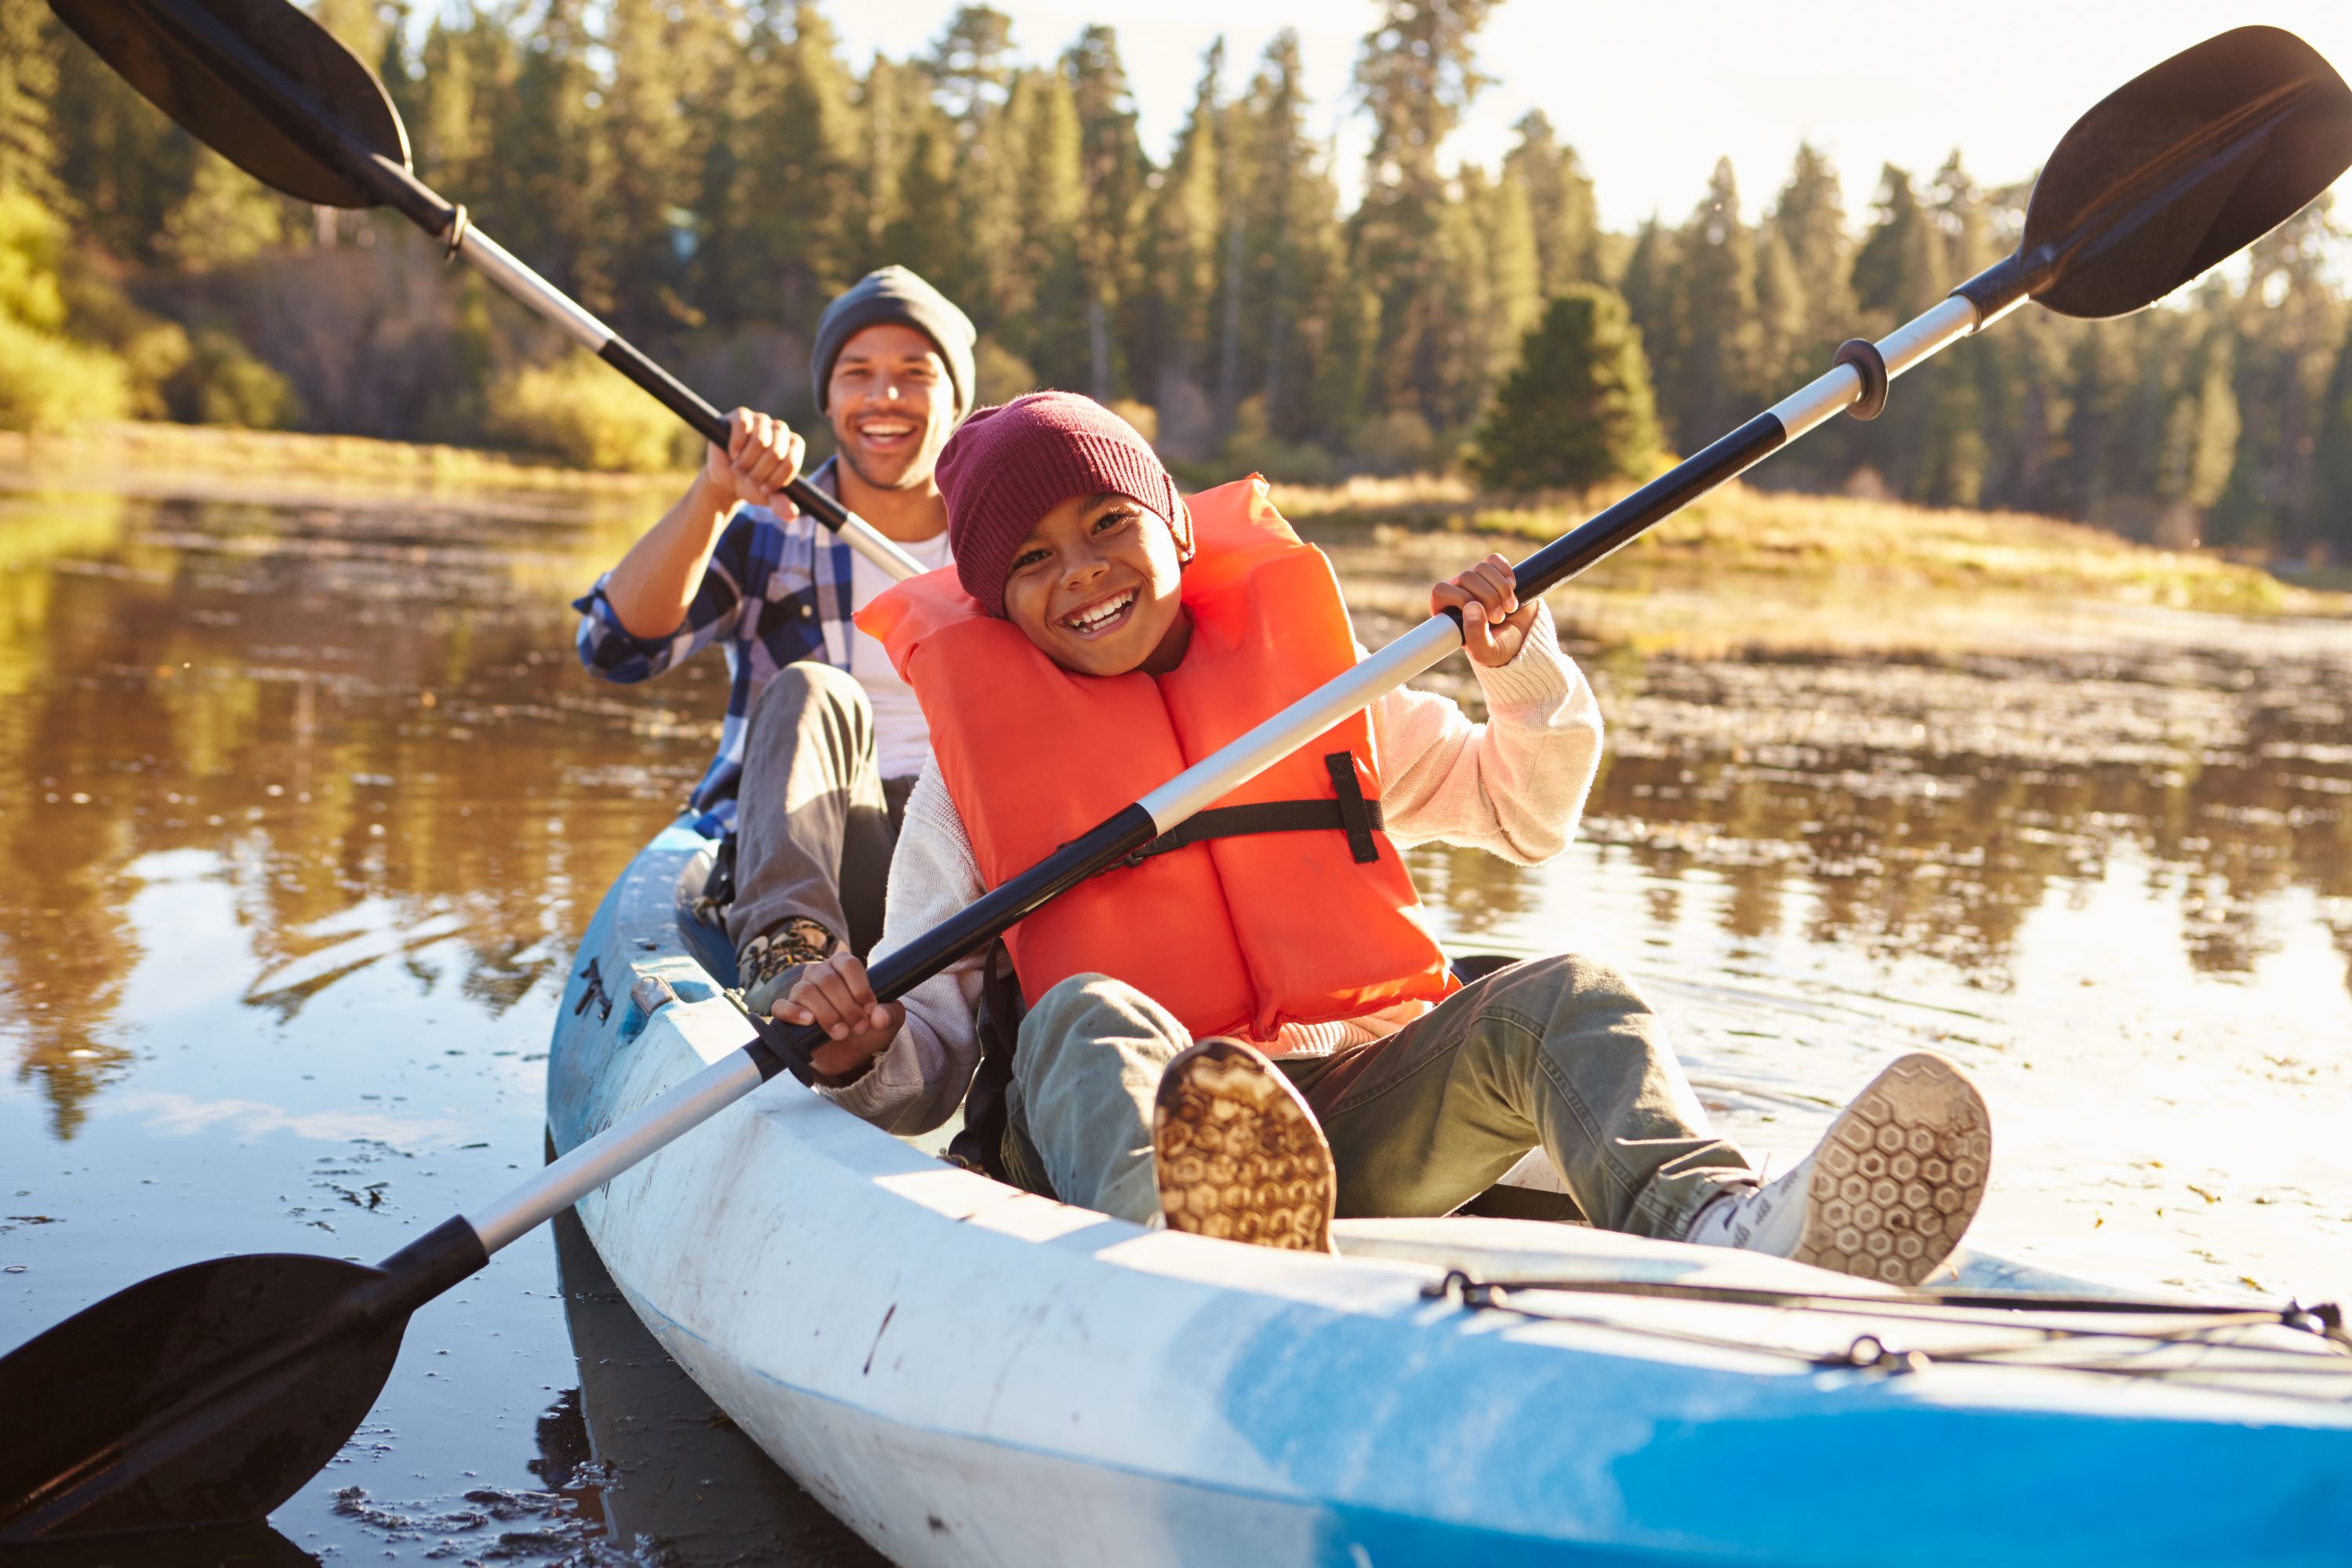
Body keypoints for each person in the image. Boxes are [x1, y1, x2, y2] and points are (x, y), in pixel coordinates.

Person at [770, 392, 1992, 1286]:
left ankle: (1721, 1225)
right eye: (1031, 563)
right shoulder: (967, 795)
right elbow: (924, 1066)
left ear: (1176, 532)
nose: (1081, 574)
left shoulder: (1316, 703)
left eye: (1106, 524)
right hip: (1115, 1139)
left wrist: (1513, 666)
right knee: (1086, 1005)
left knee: (1570, 996)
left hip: (1346, 1117)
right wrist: (864, 1042)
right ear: (993, 606)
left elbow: (1525, 809)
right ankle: (1181, 1261)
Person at [572, 266, 975, 1011]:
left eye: (914, 375)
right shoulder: (766, 531)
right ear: (827, 398)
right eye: (858, 373)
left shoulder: (1004, 550)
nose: (884, 396)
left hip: (969, 867)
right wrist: (715, 495)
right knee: (812, 688)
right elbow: (613, 649)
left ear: (958, 400)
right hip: (822, 849)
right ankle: (789, 952)